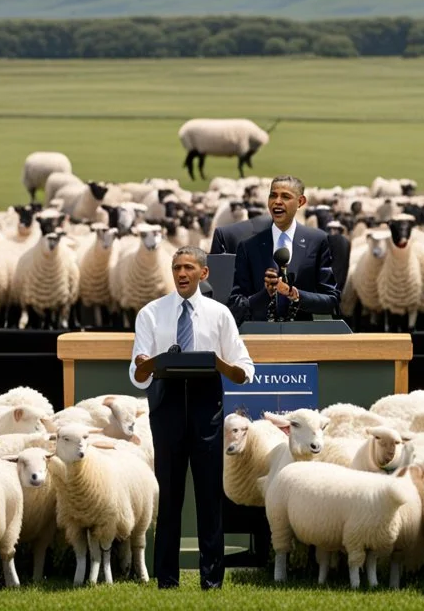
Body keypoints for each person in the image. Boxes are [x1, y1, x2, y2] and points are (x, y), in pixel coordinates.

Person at [129, 246, 255, 590]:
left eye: (188, 267)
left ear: (204, 273)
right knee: (168, 497)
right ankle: (166, 580)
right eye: (176, 268)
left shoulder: (219, 315)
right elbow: (138, 374)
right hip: (166, 410)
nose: (181, 274)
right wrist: (147, 361)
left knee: (209, 497)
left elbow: (245, 369)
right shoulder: (151, 314)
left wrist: (220, 364)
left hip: (206, 411)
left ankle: (211, 581)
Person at [228, 175, 341, 322]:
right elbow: (236, 306)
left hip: (303, 337)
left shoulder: (317, 241)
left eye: (285, 197)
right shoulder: (249, 247)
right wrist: (265, 294)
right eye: (273, 195)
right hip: (260, 337)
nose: (277, 202)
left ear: (301, 202)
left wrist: (294, 294)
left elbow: (331, 300)